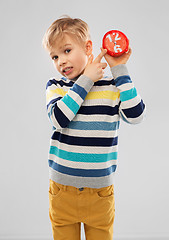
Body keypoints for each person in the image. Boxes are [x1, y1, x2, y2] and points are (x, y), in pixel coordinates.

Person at [42, 16, 146, 240]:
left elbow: (136, 115)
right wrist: (86, 79)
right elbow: (59, 118)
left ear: (88, 47)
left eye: (67, 50)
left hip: (100, 194)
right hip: (62, 191)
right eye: (54, 56)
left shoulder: (111, 87)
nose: (61, 61)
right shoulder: (57, 87)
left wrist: (120, 70)